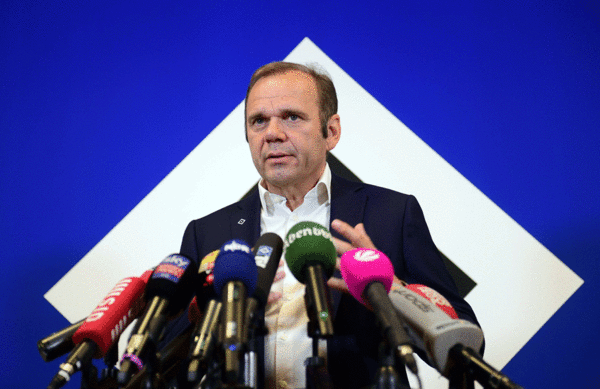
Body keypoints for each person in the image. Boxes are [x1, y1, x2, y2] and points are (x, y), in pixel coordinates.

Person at [173, 62, 482, 389]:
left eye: (292, 117)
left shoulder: (390, 214)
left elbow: (464, 346)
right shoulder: (207, 232)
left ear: (331, 132)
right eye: (259, 121)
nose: (273, 133)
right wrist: (200, 326)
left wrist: (392, 291)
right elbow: (167, 364)